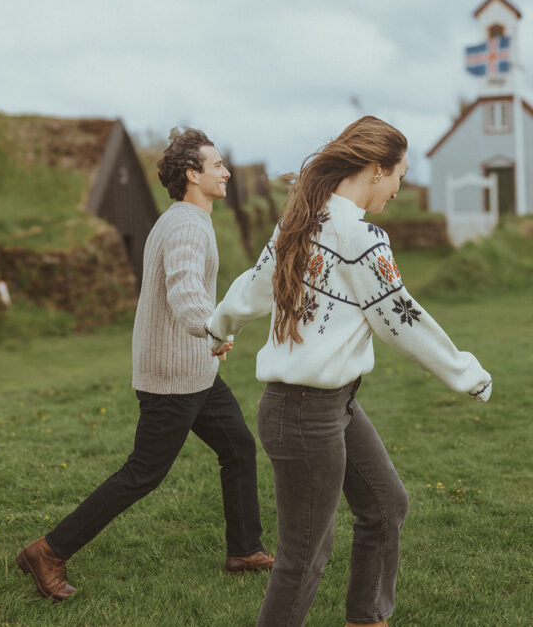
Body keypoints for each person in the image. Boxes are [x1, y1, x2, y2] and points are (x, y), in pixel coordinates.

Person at [206, 116, 492, 626]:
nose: (400, 190)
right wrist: (465, 372)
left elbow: (253, 287)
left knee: (386, 506)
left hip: (329, 406)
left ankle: (367, 619)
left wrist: (219, 326)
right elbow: (402, 319)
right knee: (303, 557)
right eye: (400, 176)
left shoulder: (300, 219)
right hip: (304, 414)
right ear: (377, 170)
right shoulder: (362, 238)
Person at [16, 127, 274, 601]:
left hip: (197, 372)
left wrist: (210, 336)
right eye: (217, 165)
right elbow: (183, 290)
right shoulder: (186, 226)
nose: (226, 172)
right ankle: (48, 552)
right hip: (174, 378)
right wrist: (212, 329)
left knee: (238, 447)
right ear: (193, 174)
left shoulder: (184, 218)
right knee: (142, 474)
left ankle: (244, 550)